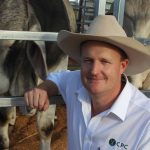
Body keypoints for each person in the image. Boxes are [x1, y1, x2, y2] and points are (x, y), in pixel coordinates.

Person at [24, 15, 150, 150]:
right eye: (88, 60)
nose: (94, 71)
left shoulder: (145, 122)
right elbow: (58, 78)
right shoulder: (76, 83)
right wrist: (44, 89)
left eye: (104, 61)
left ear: (122, 66)